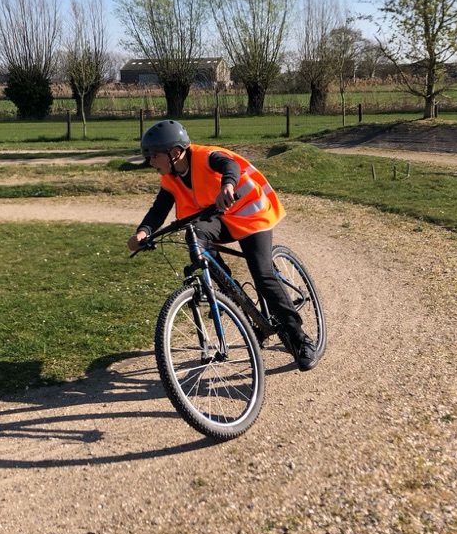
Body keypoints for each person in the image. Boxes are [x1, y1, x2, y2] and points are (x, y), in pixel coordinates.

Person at [127, 119, 318, 372]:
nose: (150, 162)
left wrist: (227, 184)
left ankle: (299, 338)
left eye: (154, 156)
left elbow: (230, 165)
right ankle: (235, 301)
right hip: (221, 218)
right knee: (195, 236)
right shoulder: (170, 178)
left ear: (175, 152)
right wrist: (143, 232)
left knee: (262, 274)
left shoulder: (206, 156)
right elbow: (158, 209)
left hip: (250, 213)